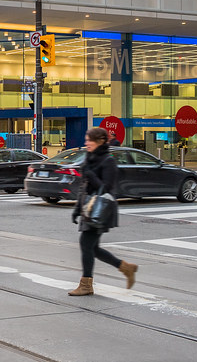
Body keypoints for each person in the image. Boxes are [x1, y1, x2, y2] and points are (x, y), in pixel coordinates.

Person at [68, 127, 138, 296]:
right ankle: (126, 268)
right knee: (93, 248)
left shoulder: (108, 161)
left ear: (100, 141)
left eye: (89, 140)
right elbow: (85, 186)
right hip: (88, 209)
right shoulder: (89, 158)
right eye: (86, 140)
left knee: (86, 244)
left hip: (101, 210)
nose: (86, 143)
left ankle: (86, 284)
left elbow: (106, 188)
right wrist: (77, 209)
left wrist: (91, 174)